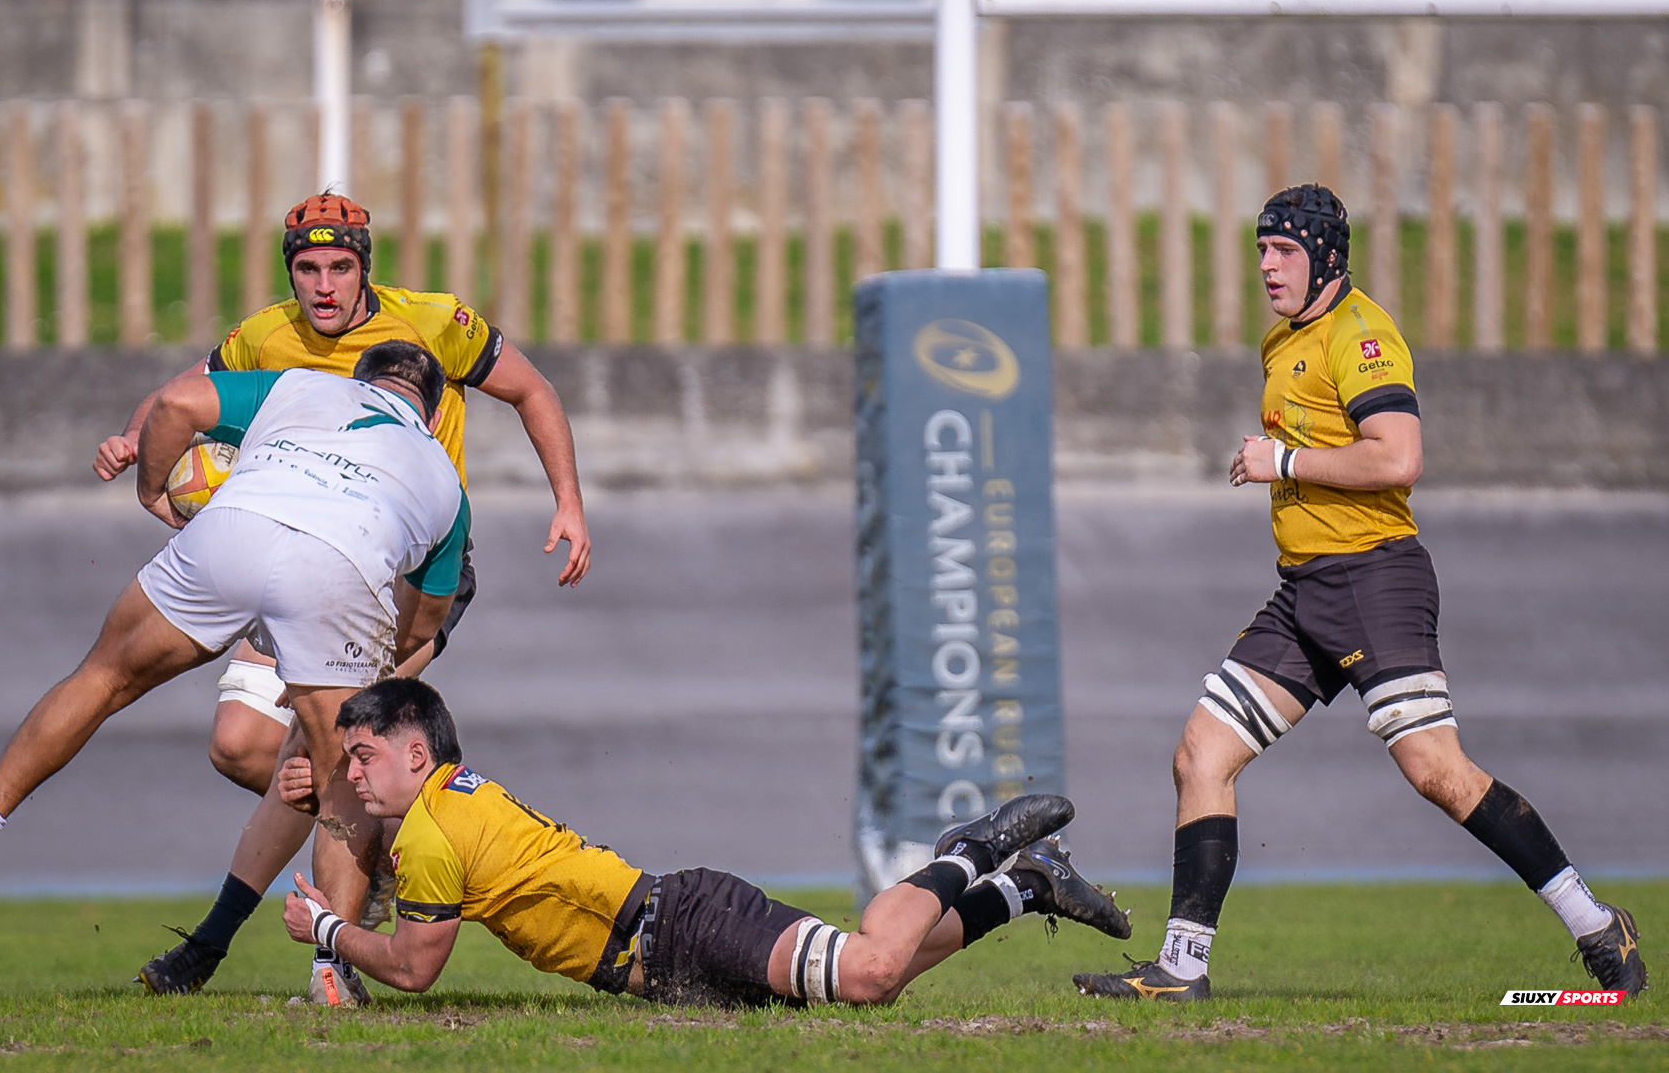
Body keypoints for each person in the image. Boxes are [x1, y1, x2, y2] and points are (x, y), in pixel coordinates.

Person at [1072, 185, 1646, 1002]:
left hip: (1375, 577)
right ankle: (1181, 971)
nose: (1267, 265)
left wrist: (1284, 462)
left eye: (1285, 251)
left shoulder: (1363, 335)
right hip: (1305, 590)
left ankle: (1595, 922)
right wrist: (1286, 460)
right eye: (1262, 249)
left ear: (1327, 258)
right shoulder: (1283, 343)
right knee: (1201, 754)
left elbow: (1397, 457)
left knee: (1436, 771)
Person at [88, 193, 592, 999]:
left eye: (340, 267)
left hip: (409, 571)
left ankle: (245, 957)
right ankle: (383, 847)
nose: (324, 285)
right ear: (291, 272)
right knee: (244, 746)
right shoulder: (264, 333)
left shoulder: (434, 323)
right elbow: (181, 392)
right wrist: (130, 434)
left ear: (367, 268)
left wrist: (567, 501)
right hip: (304, 551)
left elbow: (532, 389)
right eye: (308, 268)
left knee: (330, 754)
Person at [0, 342, 469, 1007]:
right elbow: (426, 618)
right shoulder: (445, 478)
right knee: (338, 775)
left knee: (103, 677)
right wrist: (352, 668)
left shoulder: (302, 386)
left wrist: (152, 490)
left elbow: (175, 404)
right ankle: (330, 973)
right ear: (431, 417)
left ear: (358, 381)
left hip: (232, 530)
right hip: (340, 568)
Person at [275, 679, 1132, 1008]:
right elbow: (416, 866)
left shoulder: (430, 830)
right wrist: (328, 800)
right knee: (886, 973)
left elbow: (415, 967)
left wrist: (322, 931)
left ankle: (969, 851)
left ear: (415, 753)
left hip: (678, 924)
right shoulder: (454, 796)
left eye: (362, 756)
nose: (353, 774)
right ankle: (1031, 887)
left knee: (869, 972)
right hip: (668, 943)